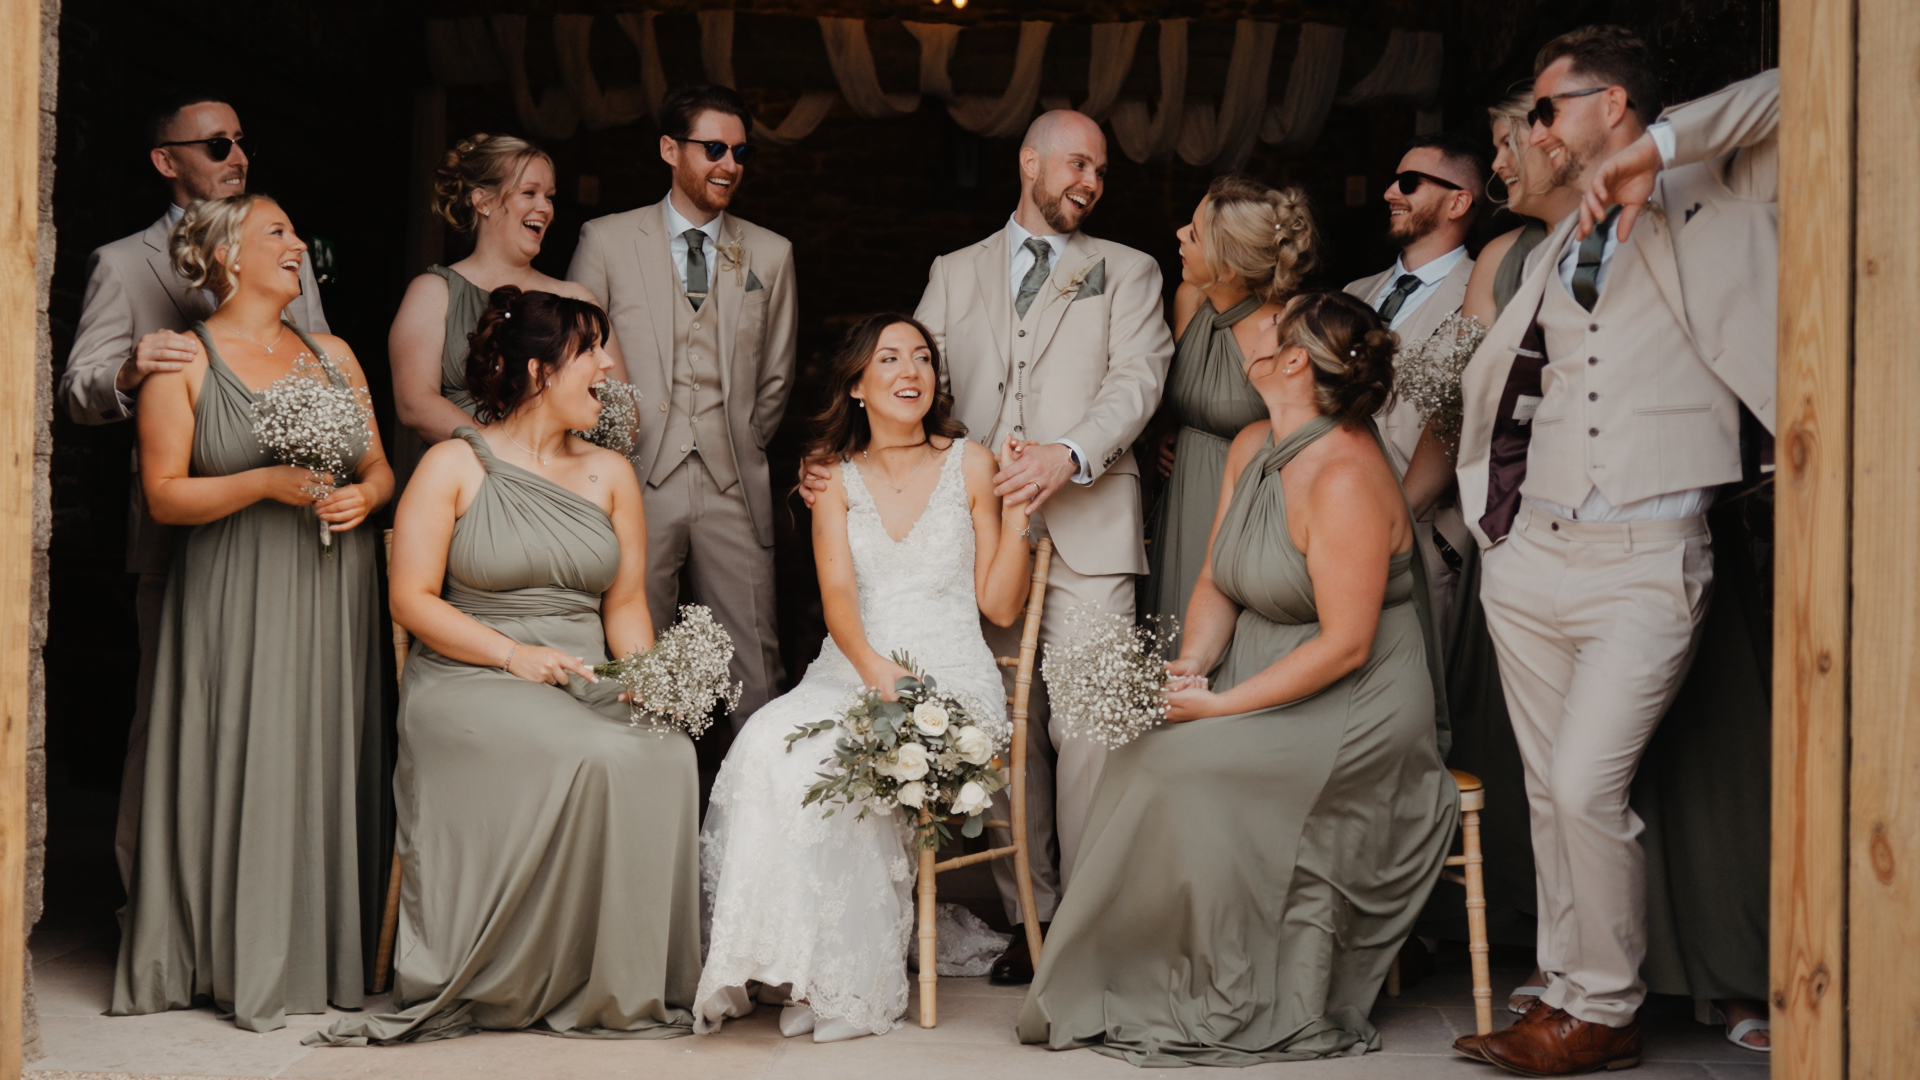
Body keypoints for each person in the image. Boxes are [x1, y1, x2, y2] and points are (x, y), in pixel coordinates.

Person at [1452, 24, 1779, 1074]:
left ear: (1616, 106)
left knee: (1592, 785)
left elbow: (1815, 88)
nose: (1535, 129)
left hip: (1648, 552)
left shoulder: (1723, 190)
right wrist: (1492, 529)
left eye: (1549, 108)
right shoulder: (1553, 241)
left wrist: (1670, 146)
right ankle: (1564, 991)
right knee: (1551, 792)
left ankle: (1603, 1006)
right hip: (1533, 553)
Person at [1018, 291, 1456, 1065]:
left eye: (1268, 324)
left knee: (1189, 770)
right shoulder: (1255, 442)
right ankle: (1143, 976)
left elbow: (1347, 645)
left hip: (1354, 702)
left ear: (1292, 360)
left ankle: (1233, 988)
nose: (1244, 331)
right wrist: (1189, 668)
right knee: (1141, 754)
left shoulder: (1348, 477)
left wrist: (1219, 709)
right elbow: (1219, 581)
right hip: (1258, 671)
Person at [807, 110, 1175, 985]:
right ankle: (1031, 916)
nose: (1089, 181)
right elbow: (910, 389)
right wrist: (846, 466)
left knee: (1089, 729)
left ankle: (1086, 920)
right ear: (1029, 161)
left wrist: (1067, 453)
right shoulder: (953, 270)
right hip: (979, 535)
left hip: (1090, 525)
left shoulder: (1129, 270)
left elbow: (1139, 379)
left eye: (1101, 171)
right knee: (1000, 731)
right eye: (1077, 162)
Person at [311, 288, 700, 1045]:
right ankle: (526, 973)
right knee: (593, 758)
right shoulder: (455, 464)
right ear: (538, 369)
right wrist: (514, 656)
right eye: (592, 351)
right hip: (472, 673)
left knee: (668, 754)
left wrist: (655, 680)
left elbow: (622, 605)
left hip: (583, 674)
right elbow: (410, 599)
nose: (610, 366)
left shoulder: (611, 473)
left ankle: (613, 979)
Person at [695, 314, 1034, 1042]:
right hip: (851, 666)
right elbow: (839, 600)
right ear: (856, 385)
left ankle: (846, 988)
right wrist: (873, 668)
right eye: (889, 359)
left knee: (849, 764)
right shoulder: (834, 480)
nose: (911, 372)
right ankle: (788, 964)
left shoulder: (971, 465)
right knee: (765, 743)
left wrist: (1022, 518)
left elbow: (999, 603)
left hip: (949, 680)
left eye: (922, 358)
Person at [111, 194, 388, 1031]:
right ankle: (224, 955)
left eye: (297, 232)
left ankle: (312, 948)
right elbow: (164, 496)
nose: (299, 244)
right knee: (245, 753)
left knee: (314, 754)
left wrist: (364, 499)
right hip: (236, 587)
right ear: (230, 255)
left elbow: (380, 466)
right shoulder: (183, 361)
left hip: (331, 587)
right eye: (279, 233)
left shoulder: (334, 352)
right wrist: (265, 483)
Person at [58, 91, 329, 890]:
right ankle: (148, 910)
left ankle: (258, 903)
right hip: (179, 527)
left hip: (285, 525)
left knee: (276, 722)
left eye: (241, 142)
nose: (236, 157)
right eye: (215, 145)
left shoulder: (289, 251)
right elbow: (76, 388)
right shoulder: (121, 262)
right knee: (169, 719)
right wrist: (131, 369)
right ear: (165, 160)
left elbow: (316, 363)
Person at [568, 83, 796, 724]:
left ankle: (747, 824)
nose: (730, 164)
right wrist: (609, 455)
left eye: (740, 152)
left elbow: (776, 378)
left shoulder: (772, 254)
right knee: (633, 662)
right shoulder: (606, 240)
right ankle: (646, 815)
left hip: (733, 483)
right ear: (670, 149)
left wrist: (741, 444)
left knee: (754, 670)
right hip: (636, 477)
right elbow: (578, 364)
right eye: (714, 148)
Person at [1142, 175, 1316, 651]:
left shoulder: (1286, 330)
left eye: (1194, 234)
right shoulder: (1188, 299)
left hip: (1248, 504)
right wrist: (1168, 431)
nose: (1179, 233)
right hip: (1182, 492)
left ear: (1229, 264)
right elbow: (1180, 387)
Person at [388, 133, 616, 493]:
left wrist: (554, 466)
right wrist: (507, 456)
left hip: (557, 486)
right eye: (529, 193)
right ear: (484, 201)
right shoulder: (434, 291)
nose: (545, 207)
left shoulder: (576, 299)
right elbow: (415, 403)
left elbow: (620, 410)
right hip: (462, 487)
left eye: (550, 197)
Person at [1344, 131, 1487, 655]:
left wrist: (1446, 542)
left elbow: (1474, 419)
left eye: (1408, 182)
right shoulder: (1353, 294)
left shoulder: (1484, 294)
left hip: (1423, 544)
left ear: (1458, 201)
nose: (1389, 192)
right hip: (1329, 532)